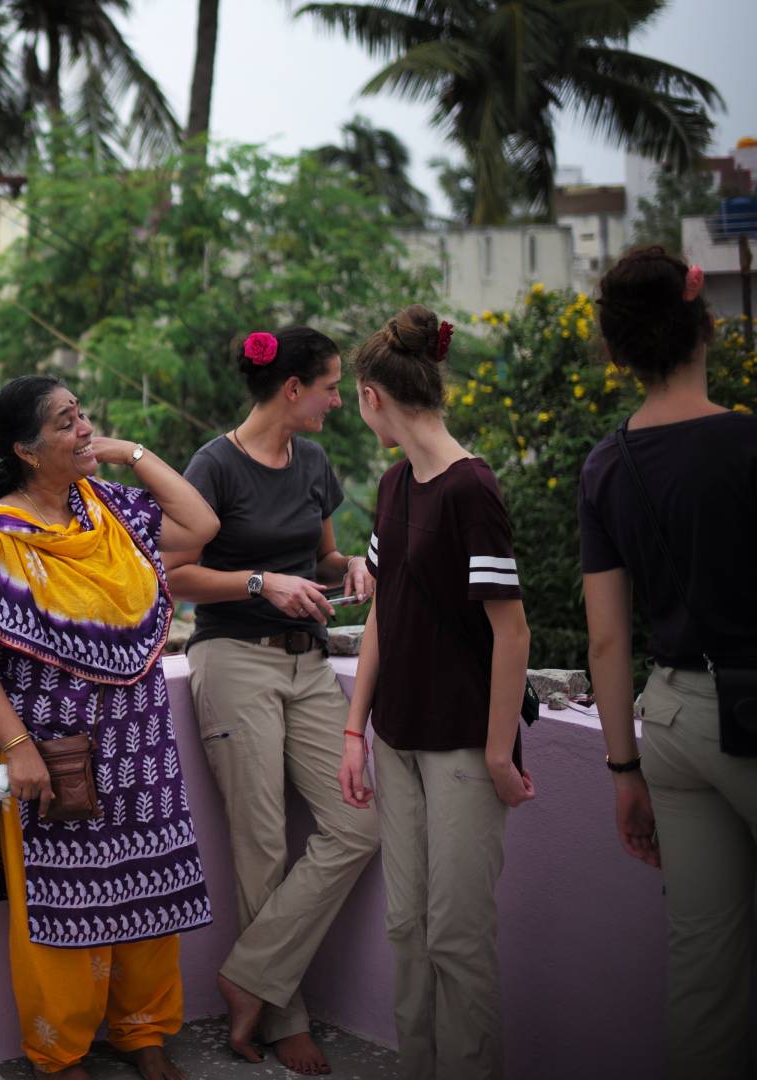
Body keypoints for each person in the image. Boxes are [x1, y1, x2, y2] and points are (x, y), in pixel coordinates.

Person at [0, 375, 221, 1080]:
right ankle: (60, 1052)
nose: (83, 428)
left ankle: (143, 1032)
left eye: (82, 415)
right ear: (26, 450)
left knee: (148, 889)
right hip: (57, 755)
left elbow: (201, 527)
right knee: (60, 908)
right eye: (66, 422)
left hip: (139, 748)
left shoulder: (107, 510)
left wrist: (125, 450)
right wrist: (16, 747)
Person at [164, 328, 380, 1074]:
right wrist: (260, 582)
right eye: (327, 385)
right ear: (293, 389)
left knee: (358, 825)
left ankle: (247, 975)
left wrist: (348, 563)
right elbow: (175, 575)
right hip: (233, 662)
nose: (334, 400)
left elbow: (320, 555)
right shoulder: (214, 465)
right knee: (261, 846)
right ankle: (282, 1016)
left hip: (308, 666)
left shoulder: (313, 461)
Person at [336, 306, 533, 1080]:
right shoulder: (394, 486)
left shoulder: (470, 488)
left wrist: (496, 749)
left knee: (456, 936)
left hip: (462, 747)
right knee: (406, 931)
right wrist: (356, 730)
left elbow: (512, 631)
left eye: (358, 396)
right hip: (397, 737)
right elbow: (385, 607)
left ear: (375, 395)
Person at [578, 248, 757, 1078]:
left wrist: (624, 768)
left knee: (704, 964)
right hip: (748, 712)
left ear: (618, 355)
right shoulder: (745, 444)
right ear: (705, 326)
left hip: (675, 723)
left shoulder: (608, 464)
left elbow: (608, 638)